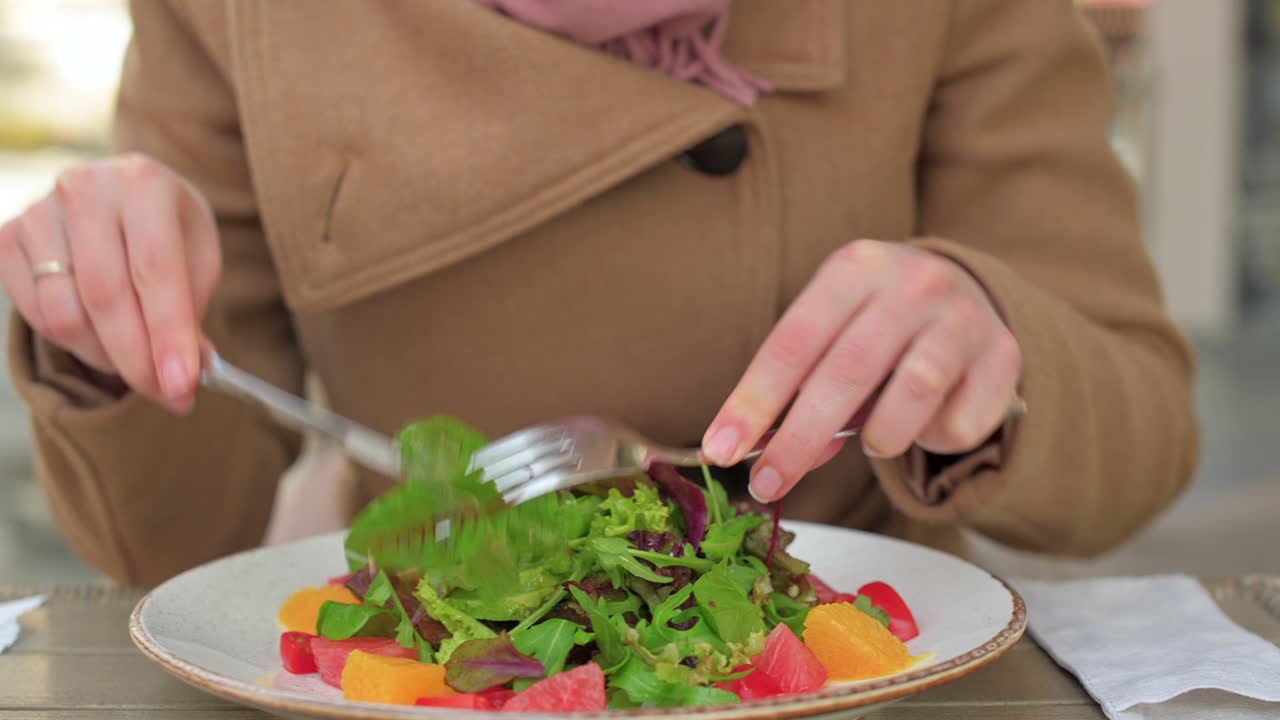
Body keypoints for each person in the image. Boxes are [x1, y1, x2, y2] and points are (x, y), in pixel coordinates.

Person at [0, 0, 1199, 587]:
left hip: (856, 647)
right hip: (428, 655)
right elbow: (174, 544)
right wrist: (103, 340)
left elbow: (1141, 429)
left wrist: (991, 342)